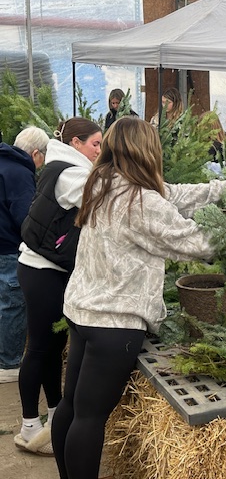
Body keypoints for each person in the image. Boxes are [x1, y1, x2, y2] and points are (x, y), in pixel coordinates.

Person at [48, 117, 226, 479]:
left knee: (73, 406)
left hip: (82, 311)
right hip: (115, 323)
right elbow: (199, 244)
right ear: (147, 150)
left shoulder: (103, 181)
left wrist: (224, 187)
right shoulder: (139, 200)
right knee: (91, 417)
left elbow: (171, 192)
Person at [14, 117, 102, 457]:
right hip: (42, 270)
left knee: (51, 347)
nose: (99, 150)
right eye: (95, 144)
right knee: (38, 348)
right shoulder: (71, 174)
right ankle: (28, 425)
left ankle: (53, 416)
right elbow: (112, 197)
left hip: (44, 268)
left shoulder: (62, 165)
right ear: (76, 143)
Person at [0, 127, 48, 384]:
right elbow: (24, 216)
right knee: (13, 303)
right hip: (7, 246)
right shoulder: (20, 173)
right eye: (42, 158)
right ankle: (8, 363)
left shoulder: (4, 162)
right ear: (36, 153)